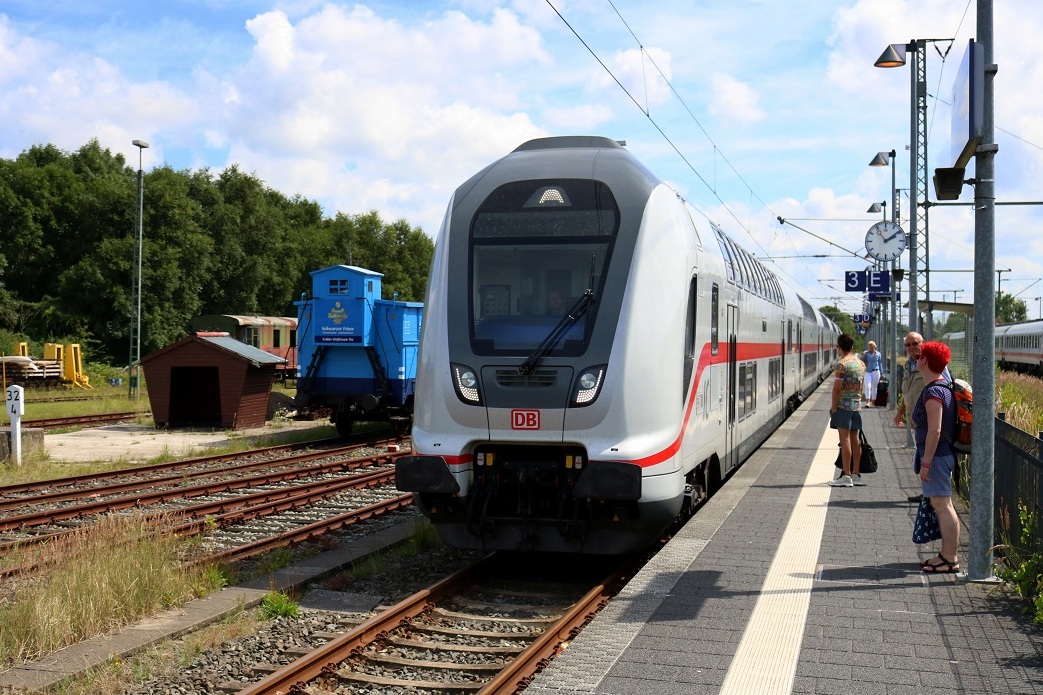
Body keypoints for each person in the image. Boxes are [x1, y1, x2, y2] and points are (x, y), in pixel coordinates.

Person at [911, 341, 961, 573]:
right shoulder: (940, 387)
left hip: (937, 457)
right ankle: (946, 555)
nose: (916, 358)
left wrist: (926, 463)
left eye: (920, 355)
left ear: (925, 361)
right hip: (940, 456)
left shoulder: (934, 392)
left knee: (943, 505)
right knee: (942, 504)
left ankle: (950, 558)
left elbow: (935, 430)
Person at [895, 331, 952, 502]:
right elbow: (908, 392)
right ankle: (927, 492)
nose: (912, 347)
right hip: (916, 421)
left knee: (930, 459)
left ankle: (936, 494)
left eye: (915, 343)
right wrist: (900, 412)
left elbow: (946, 387)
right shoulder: (908, 365)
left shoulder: (933, 363)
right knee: (921, 456)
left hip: (931, 424)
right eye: (908, 344)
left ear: (923, 343)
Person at [829, 333, 866, 487]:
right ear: (852, 347)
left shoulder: (842, 365)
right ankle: (856, 474)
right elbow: (862, 386)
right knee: (855, 440)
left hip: (843, 406)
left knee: (845, 441)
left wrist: (833, 407)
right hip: (856, 405)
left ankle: (846, 475)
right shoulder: (860, 364)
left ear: (839, 347)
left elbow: (837, 389)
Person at [862, 341, 884, 406]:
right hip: (868, 371)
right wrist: (863, 355)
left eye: (872, 347)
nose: (870, 348)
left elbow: (880, 363)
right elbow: (863, 361)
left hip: (876, 371)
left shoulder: (878, 354)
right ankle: (868, 402)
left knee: (874, 387)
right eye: (869, 347)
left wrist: (882, 372)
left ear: (874, 347)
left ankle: (873, 401)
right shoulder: (866, 354)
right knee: (868, 386)